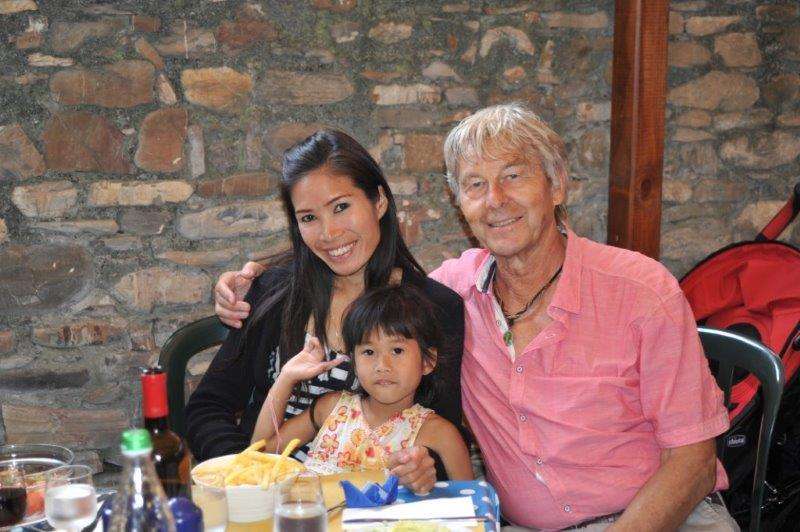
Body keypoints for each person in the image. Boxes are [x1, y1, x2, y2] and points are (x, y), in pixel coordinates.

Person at [213, 104, 737, 530]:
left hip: (666, 519)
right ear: (459, 203)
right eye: (476, 184)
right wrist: (254, 277)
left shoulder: (641, 291)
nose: (496, 201)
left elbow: (693, 461)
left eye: (513, 176)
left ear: (557, 185)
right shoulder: (450, 295)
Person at [184, 130, 465, 494]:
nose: (329, 233)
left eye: (341, 207)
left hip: (376, 506)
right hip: (271, 500)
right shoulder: (272, 293)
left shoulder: (435, 307)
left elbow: (441, 439)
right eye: (309, 218)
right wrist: (248, 476)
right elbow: (207, 409)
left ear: (379, 201)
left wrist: (421, 470)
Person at [252, 285, 473, 480]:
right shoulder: (331, 409)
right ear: (354, 362)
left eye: (397, 350)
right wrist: (286, 378)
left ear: (428, 361)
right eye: (368, 352)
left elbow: (472, 502)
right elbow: (258, 457)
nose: (382, 365)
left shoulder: (441, 433)